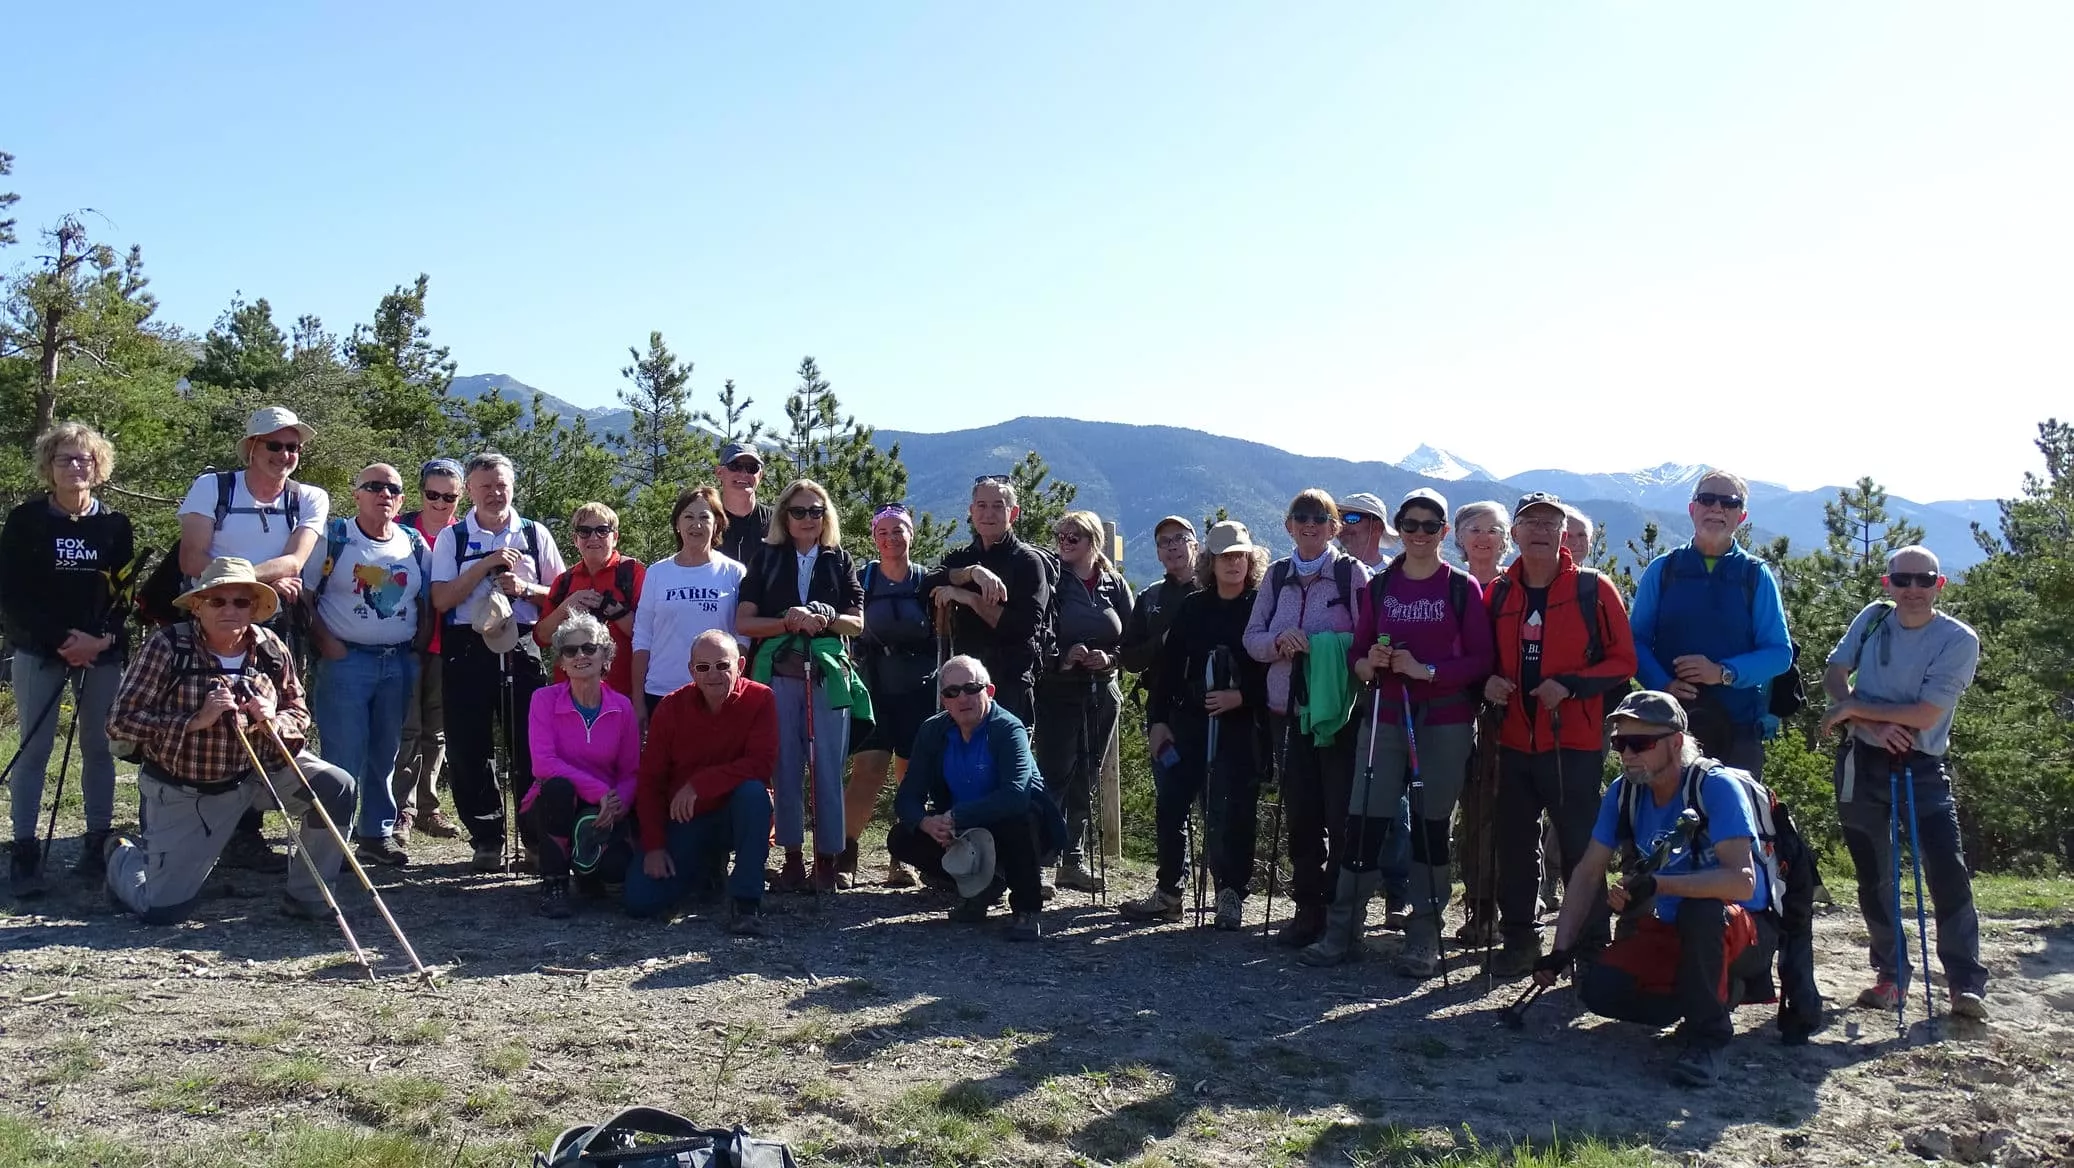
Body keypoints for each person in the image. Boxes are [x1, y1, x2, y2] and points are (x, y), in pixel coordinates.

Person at [1535, 691, 1775, 1088]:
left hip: (1742, 930)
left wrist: (1658, 883)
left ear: (1676, 742)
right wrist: (1559, 951)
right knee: (1601, 991)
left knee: (1702, 911)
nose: (1627, 754)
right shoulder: (1625, 791)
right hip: (1675, 928)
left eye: (1640, 743)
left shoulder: (1715, 786)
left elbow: (1741, 880)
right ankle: (1711, 994)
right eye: (1619, 743)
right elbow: (1588, 872)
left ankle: (1707, 1041)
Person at [103, 558, 355, 923]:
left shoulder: (271, 647)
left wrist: (273, 719)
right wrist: (194, 721)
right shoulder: (168, 646)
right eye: (218, 601)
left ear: (254, 608)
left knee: (336, 786)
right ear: (197, 605)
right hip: (192, 789)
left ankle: (309, 897)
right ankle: (122, 856)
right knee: (161, 910)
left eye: (241, 602)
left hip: (262, 773)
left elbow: (299, 714)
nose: (230, 610)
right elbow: (119, 722)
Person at [1303, 489, 1493, 973]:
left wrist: (1425, 669)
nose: (1420, 533)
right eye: (1411, 524)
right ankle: (1343, 931)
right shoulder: (1381, 586)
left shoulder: (1461, 587)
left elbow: (1481, 661)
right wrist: (1370, 663)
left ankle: (1424, 938)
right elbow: (1358, 653)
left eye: (1431, 526)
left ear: (1444, 533)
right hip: (1385, 715)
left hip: (1446, 721)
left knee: (1431, 828)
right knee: (1364, 821)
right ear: (1400, 529)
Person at [1821, 545, 1987, 1022]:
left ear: (1940, 584)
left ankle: (1964, 985)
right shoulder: (1873, 618)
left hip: (1922, 765)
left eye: (1924, 579)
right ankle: (1892, 977)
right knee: (1874, 875)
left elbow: (1926, 715)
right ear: (1886, 583)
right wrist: (1870, 725)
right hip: (1862, 759)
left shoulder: (1959, 639)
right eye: (1903, 579)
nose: (1913, 589)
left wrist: (1855, 710)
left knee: (1946, 872)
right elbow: (1836, 675)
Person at [1483, 492, 1637, 976]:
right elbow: (1479, 657)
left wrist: (1569, 687)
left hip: (1574, 742)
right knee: (1513, 844)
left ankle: (1589, 946)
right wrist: (1486, 681)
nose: (1542, 531)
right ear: (1515, 534)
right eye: (1531, 523)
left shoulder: (1595, 589)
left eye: (1552, 524)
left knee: (1579, 846)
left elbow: (1623, 663)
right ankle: (1520, 940)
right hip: (1512, 739)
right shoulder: (1500, 594)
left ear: (1564, 534)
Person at [177, 406, 331, 869]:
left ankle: (246, 832)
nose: (284, 454)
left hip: (275, 629)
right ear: (251, 447)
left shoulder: (310, 497)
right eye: (274, 444)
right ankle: (205, 823)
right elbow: (190, 559)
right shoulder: (212, 488)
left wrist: (230, 580)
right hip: (210, 625)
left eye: (293, 447)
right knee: (212, 718)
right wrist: (259, 586)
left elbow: (296, 563)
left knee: (267, 720)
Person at [2, 423, 134, 896]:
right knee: (34, 751)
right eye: (65, 459)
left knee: (99, 748)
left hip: (101, 653)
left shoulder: (115, 525)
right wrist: (63, 640)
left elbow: (124, 595)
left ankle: (97, 841)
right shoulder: (25, 521)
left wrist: (98, 642)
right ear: (48, 467)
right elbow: (12, 594)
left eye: (85, 460)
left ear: (98, 468)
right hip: (41, 650)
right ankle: (24, 848)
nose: (76, 467)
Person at [1124, 521, 1269, 929]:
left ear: (1250, 559)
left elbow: (1271, 671)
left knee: (1231, 810)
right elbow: (1167, 671)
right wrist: (1158, 722)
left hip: (1240, 725)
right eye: (1225, 556)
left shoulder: (1260, 607)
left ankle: (1230, 895)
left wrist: (1242, 697)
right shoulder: (1194, 607)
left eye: (1239, 555)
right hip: (1187, 721)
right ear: (1211, 561)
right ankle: (1169, 892)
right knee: (1171, 805)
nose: (1233, 563)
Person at [1243, 489, 1371, 948]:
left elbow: (1366, 640)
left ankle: (1339, 916)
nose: (1310, 523)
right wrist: (1280, 642)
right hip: (1290, 712)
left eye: (1320, 517)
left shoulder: (1351, 575)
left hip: (1338, 713)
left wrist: (1320, 646)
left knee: (1339, 815)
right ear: (1288, 525)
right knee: (1300, 816)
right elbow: (1252, 638)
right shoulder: (1276, 576)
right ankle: (1307, 909)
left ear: (1335, 527)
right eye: (1301, 516)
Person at [429, 452, 567, 872]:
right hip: (466, 643)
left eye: (501, 485)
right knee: (469, 745)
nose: (494, 493)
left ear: (513, 486)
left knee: (529, 746)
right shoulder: (452, 539)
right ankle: (486, 839)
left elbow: (559, 592)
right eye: (485, 486)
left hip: (520, 641)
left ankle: (534, 837)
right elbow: (441, 599)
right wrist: (485, 565)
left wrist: (526, 587)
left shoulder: (534, 532)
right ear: (469, 490)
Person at [738, 478, 867, 893]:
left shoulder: (840, 559)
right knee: (786, 766)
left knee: (828, 767)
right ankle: (792, 857)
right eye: (799, 511)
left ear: (826, 516)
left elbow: (858, 622)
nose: (808, 519)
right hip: (779, 672)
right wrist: (789, 620)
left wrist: (825, 619)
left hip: (829, 675)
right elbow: (743, 621)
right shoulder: (766, 558)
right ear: (783, 516)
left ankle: (826, 860)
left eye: (816, 511)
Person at [305, 463, 430, 868]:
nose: (384, 494)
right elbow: (304, 595)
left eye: (393, 488)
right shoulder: (335, 537)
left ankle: (376, 833)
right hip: (346, 662)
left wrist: (417, 649)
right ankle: (335, 839)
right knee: (343, 753)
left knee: (386, 752)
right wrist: (327, 644)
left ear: (402, 499)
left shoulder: (413, 543)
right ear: (356, 493)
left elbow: (426, 599)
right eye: (374, 486)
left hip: (398, 661)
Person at [890, 655, 1064, 941]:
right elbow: (907, 797)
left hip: (1018, 828)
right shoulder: (932, 731)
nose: (962, 698)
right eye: (952, 692)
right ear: (943, 699)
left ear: (989, 691)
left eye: (971, 688)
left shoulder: (1008, 728)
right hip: (964, 829)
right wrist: (926, 823)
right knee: (902, 838)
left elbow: (1016, 795)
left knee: (1020, 820)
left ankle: (1027, 908)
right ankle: (980, 888)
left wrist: (957, 817)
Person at [1629, 471, 1792, 776]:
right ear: (1693, 509)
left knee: (1731, 821)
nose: (1717, 508)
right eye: (1707, 499)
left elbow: (1779, 653)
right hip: (1667, 726)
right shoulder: (1663, 570)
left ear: (1741, 517)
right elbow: (1634, 641)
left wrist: (1722, 672)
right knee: (1663, 821)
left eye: (1729, 502)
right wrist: (1662, 684)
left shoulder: (1755, 575)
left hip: (1738, 730)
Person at [625, 630, 779, 932]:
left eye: (722, 665)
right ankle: (705, 872)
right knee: (639, 901)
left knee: (754, 794)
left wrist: (700, 783)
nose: (713, 675)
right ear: (691, 670)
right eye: (703, 667)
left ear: (741, 665)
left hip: (734, 816)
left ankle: (746, 902)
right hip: (686, 819)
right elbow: (651, 781)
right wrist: (654, 846)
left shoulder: (761, 699)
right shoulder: (670, 707)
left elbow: (760, 765)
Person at [839, 503, 939, 889]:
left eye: (899, 530)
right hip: (874, 687)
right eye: (883, 531)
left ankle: (904, 858)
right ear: (873, 536)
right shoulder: (864, 578)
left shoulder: (926, 582)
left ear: (912, 534)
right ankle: (844, 856)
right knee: (867, 772)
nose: (891, 538)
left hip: (919, 690)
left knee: (911, 778)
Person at [1034, 509, 1134, 894]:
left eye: (1073, 536)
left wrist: (1111, 658)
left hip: (1102, 689)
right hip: (1059, 690)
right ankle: (1043, 861)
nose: (1064, 542)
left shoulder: (1114, 583)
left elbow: (1132, 637)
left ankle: (1071, 860)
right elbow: (1037, 631)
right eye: (1061, 536)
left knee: (1086, 774)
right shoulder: (1053, 581)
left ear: (1094, 541)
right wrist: (1062, 656)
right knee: (1054, 775)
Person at [525, 613, 639, 918]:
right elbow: (543, 765)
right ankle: (555, 884)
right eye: (570, 650)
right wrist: (600, 791)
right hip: (549, 805)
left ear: (605, 656)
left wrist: (617, 804)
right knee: (559, 788)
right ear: (561, 661)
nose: (580, 656)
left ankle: (588, 875)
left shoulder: (623, 707)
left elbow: (631, 773)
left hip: (602, 812)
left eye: (589, 648)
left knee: (618, 870)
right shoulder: (543, 699)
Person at [928, 476, 1053, 728]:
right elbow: (928, 584)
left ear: (1013, 512)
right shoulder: (961, 557)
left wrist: (970, 598)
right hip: (963, 690)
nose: (988, 513)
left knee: (1006, 765)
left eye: (998, 505)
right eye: (982, 505)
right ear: (971, 511)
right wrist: (972, 572)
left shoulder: (1028, 563)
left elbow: (1024, 628)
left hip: (1010, 687)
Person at [631, 486, 748, 730]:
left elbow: (742, 637)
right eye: (688, 517)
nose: (696, 524)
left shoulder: (734, 572)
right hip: (661, 691)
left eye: (704, 517)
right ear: (677, 524)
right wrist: (638, 699)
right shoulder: (657, 573)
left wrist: (733, 684)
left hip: (716, 693)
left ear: (717, 524)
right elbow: (642, 638)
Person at [392, 459, 463, 844]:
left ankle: (428, 807)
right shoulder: (399, 529)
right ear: (420, 492)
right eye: (432, 494)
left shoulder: (466, 534)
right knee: (406, 727)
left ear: (460, 497)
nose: (439, 502)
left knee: (436, 732)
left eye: (449, 496)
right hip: (405, 642)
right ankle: (399, 808)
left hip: (448, 644)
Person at [1451, 499, 1511, 943]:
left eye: (1493, 529)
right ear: (1458, 538)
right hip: (1456, 712)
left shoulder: (1518, 588)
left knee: (1509, 817)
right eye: (1475, 529)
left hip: (1510, 715)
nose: (1484, 537)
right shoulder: (1450, 588)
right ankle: (1478, 909)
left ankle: (1512, 913)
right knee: (1471, 817)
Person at [535, 501, 644, 700]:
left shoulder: (632, 572)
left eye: (602, 530)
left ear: (615, 537)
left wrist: (612, 609)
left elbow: (648, 636)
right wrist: (566, 608)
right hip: (571, 696)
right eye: (584, 532)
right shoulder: (564, 581)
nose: (594, 537)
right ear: (575, 539)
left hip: (623, 694)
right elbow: (541, 638)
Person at [715, 442, 774, 565]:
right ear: (719, 472)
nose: (744, 473)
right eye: (735, 466)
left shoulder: (775, 522)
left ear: (760, 475)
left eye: (752, 468)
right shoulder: (707, 521)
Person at [1337, 492, 1397, 571]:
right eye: (1339, 518)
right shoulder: (1327, 568)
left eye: (1352, 518)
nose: (1342, 524)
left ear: (1377, 527)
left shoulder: (1393, 573)